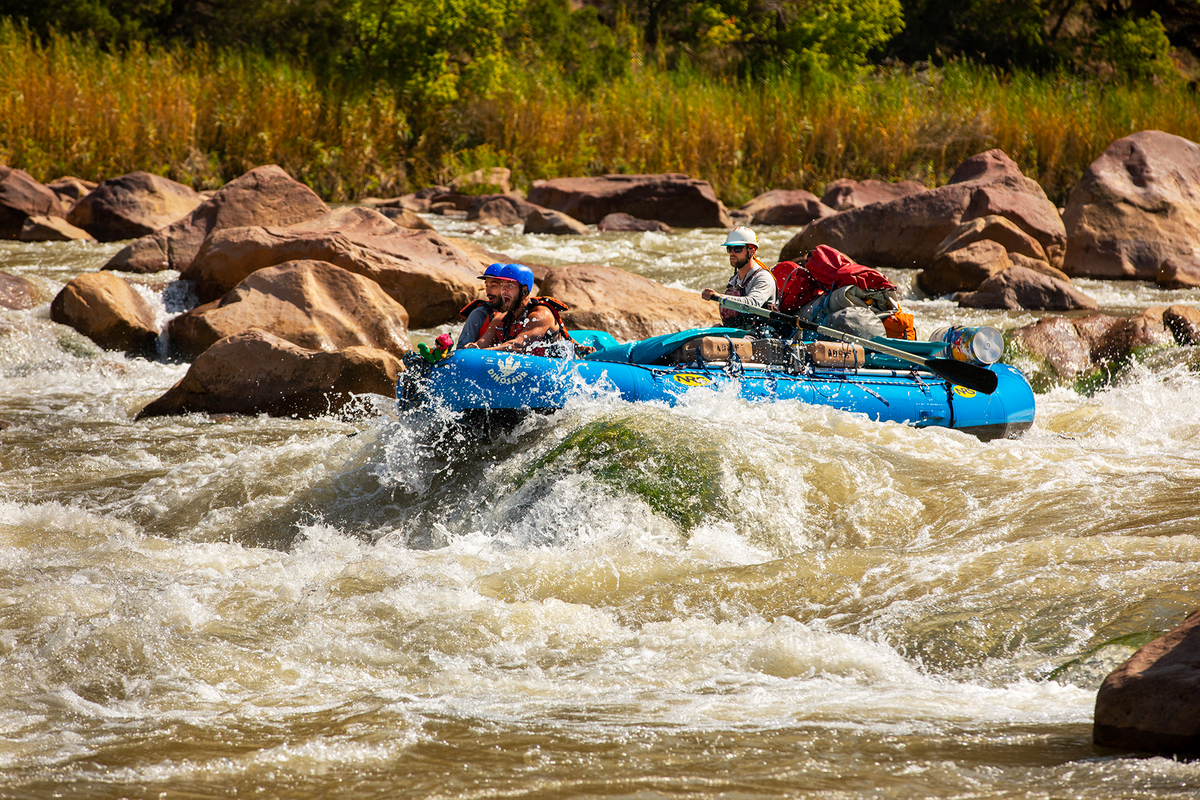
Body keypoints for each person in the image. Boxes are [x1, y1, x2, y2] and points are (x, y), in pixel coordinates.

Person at [463, 263, 573, 355]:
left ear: (524, 289)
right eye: (502, 285)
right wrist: (473, 348)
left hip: (555, 370)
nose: (504, 291)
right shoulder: (499, 319)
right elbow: (482, 343)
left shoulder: (541, 315)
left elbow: (518, 345)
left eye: (509, 286)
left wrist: (481, 353)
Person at [701, 226, 777, 329]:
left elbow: (752, 304)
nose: (732, 253)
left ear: (752, 252)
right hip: (739, 332)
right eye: (729, 249)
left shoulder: (763, 278)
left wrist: (720, 297)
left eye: (737, 249)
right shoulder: (735, 279)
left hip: (760, 336)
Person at [456, 262, 508, 348]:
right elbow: (461, 350)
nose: (487, 291)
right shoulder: (479, 314)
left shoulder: (519, 313)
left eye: (493, 286)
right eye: (486, 286)